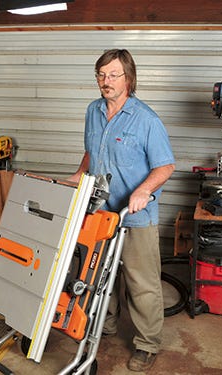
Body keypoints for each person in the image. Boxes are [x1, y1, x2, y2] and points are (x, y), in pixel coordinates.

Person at [68, 49, 175, 372]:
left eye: (113, 75)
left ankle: (147, 344)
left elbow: (165, 165)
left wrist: (143, 191)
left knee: (141, 282)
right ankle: (105, 324)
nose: (106, 81)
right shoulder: (93, 110)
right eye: (101, 74)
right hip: (100, 212)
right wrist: (78, 175)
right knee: (98, 274)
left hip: (135, 215)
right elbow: (92, 151)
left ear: (128, 78)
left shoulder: (146, 119)